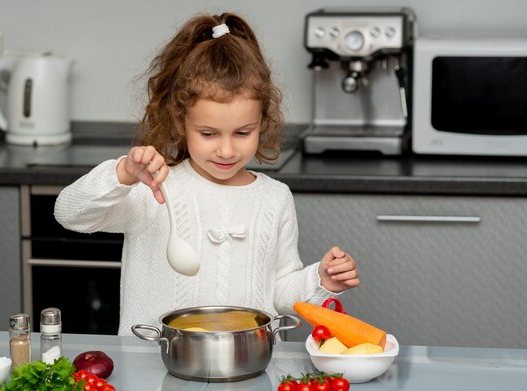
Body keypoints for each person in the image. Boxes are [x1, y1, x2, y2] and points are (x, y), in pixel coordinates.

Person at [54, 12, 359, 336]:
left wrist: (321, 280)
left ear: (262, 121)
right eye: (209, 134)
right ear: (178, 122)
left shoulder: (274, 198)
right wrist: (124, 173)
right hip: (154, 371)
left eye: (242, 133)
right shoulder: (155, 188)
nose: (227, 151)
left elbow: (281, 291)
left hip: (248, 368)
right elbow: (70, 213)